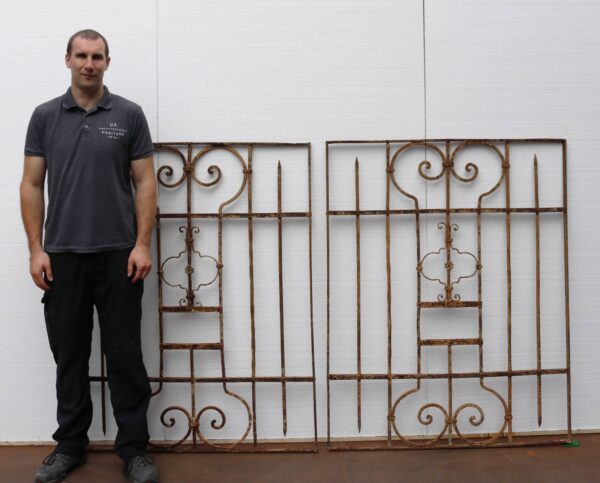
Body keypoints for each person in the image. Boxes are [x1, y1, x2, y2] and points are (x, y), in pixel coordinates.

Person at [20, 29, 159, 483]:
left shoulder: (129, 114)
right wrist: (36, 249)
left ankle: (134, 450)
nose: (89, 64)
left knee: (125, 355)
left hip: (120, 254)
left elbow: (145, 181)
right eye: (81, 55)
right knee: (70, 355)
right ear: (67, 60)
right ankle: (70, 447)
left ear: (107, 62)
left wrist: (142, 244)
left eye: (97, 56)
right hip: (62, 255)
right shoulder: (44, 116)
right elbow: (31, 184)